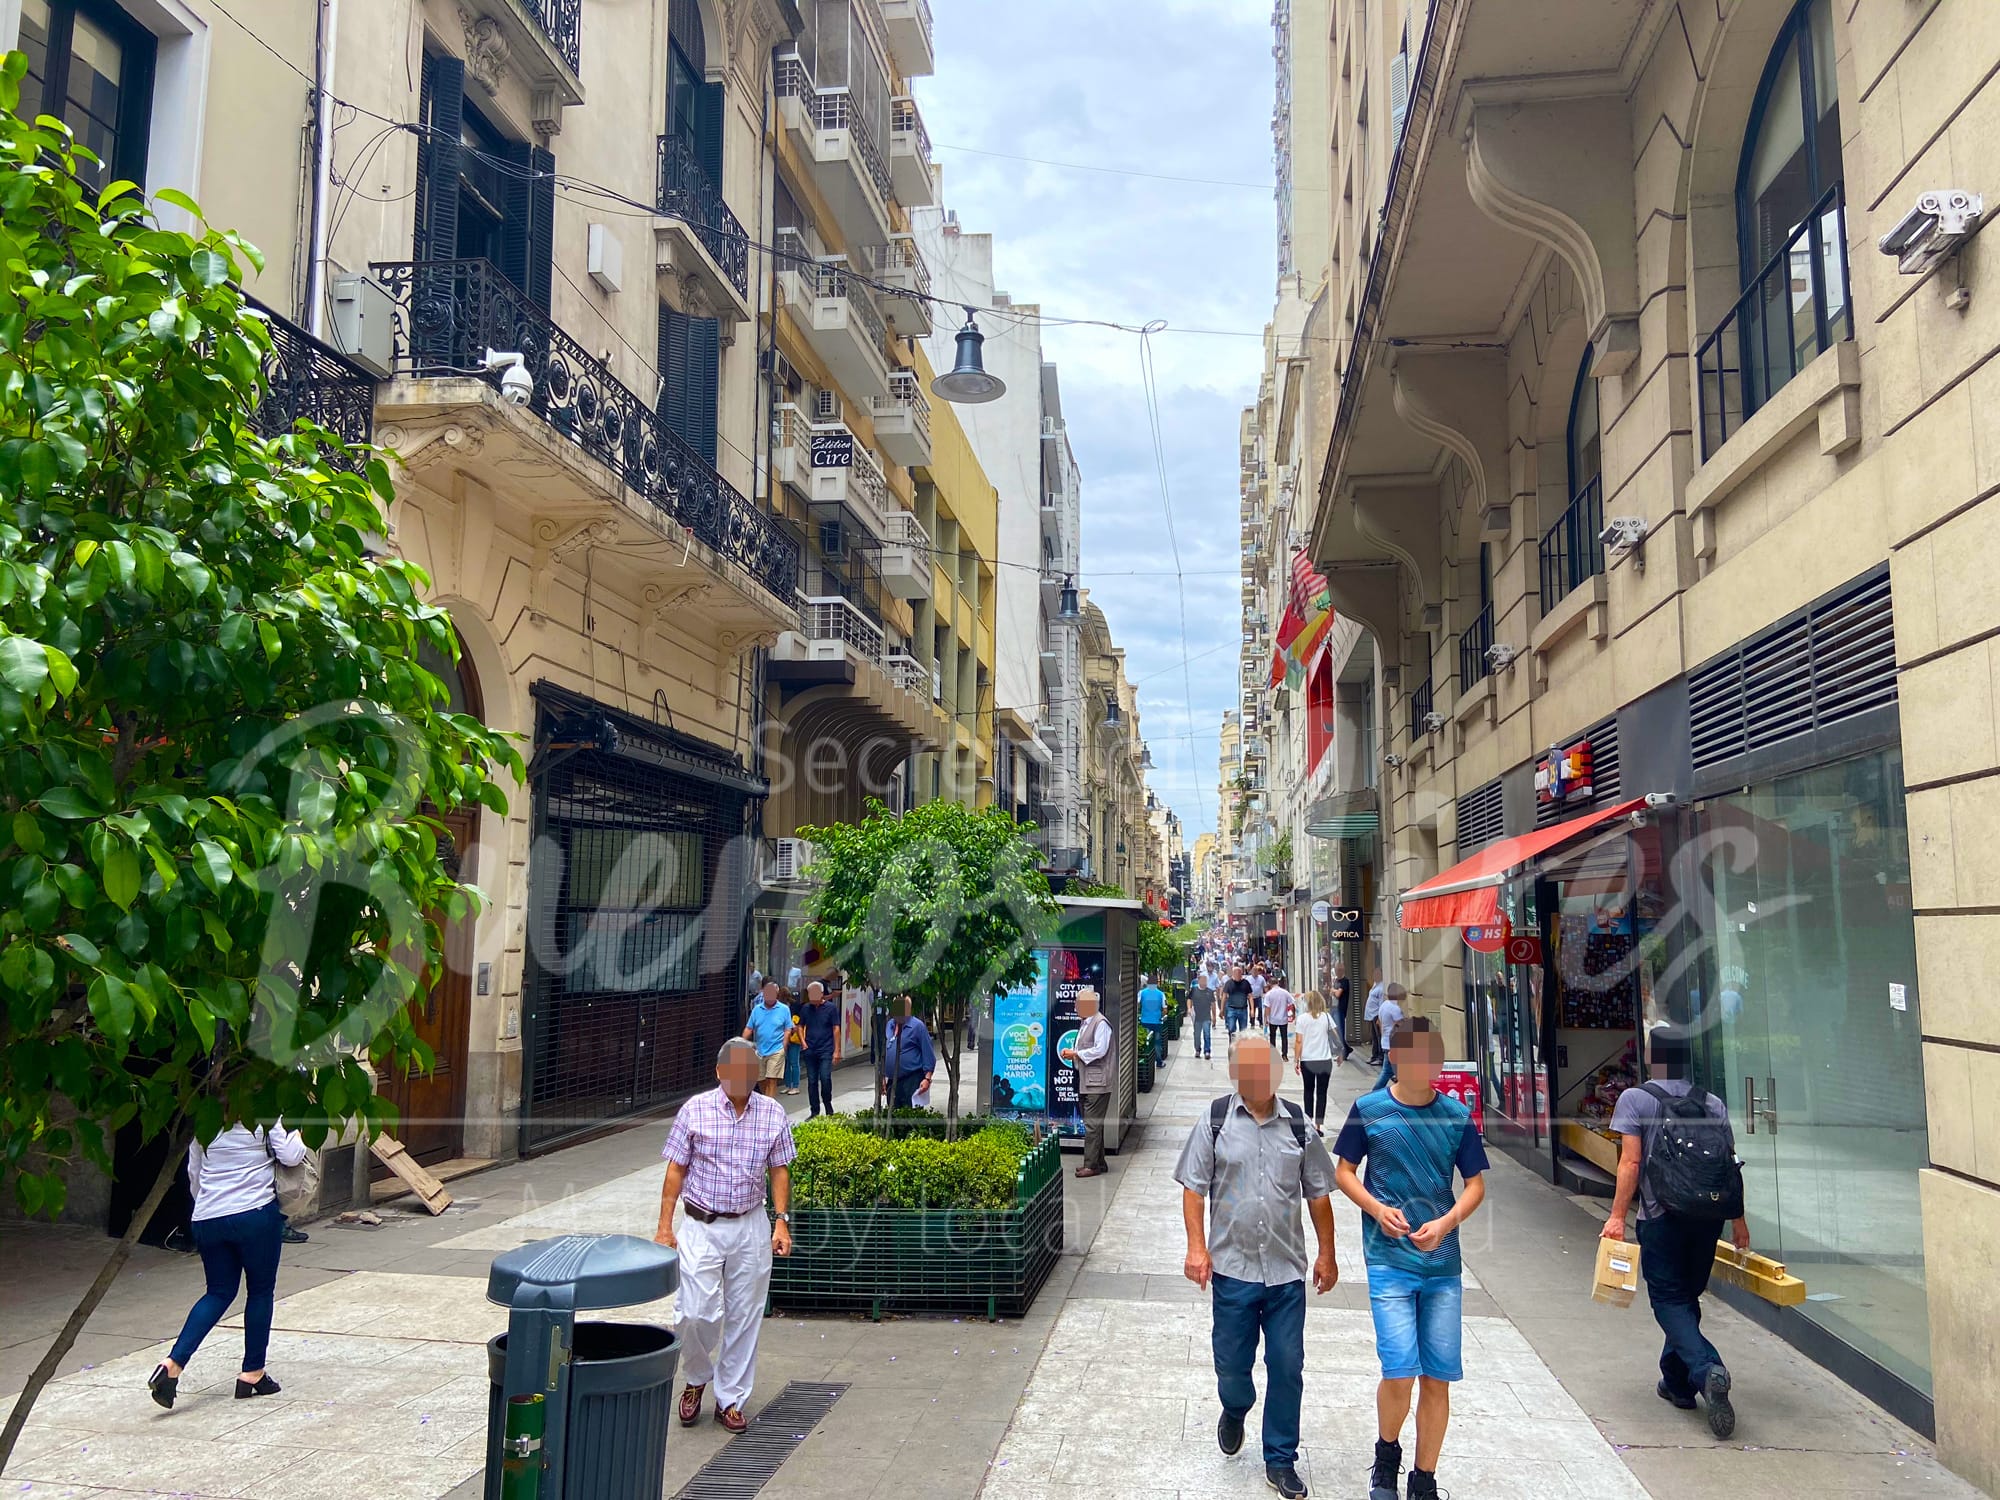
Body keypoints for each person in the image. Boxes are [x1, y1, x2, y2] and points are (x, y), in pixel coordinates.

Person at [1177, 1033, 1338, 1500]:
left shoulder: (1297, 1124)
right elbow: (1193, 1187)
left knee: (1287, 1365)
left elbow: (1319, 1194)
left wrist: (1327, 1254)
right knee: (1232, 1366)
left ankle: (1281, 1459)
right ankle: (1235, 1406)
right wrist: (1196, 1247)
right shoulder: (1215, 1120)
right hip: (1232, 1268)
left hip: (1286, 1272)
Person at [1334, 1018, 1489, 1500]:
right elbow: (1344, 1172)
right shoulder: (1369, 1109)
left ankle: (1425, 1479)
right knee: (1398, 1369)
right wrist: (1377, 1209)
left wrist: (1446, 1223)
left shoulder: (1455, 1117)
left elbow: (1476, 1185)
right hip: (1388, 1259)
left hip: (1442, 1266)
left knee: (1437, 1377)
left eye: (1432, 1057)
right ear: (1397, 1058)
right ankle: (1387, 1457)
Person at [1602, 1030, 1750, 1439]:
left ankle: (1707, 1370)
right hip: (1709, 1216)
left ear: (1652, 1057)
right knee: (1686, 1299)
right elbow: (1729, 1166)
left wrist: (1616, 1217)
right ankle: (1678, 1383)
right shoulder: (1712, 1102)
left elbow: (1630, 1164)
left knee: (1668, 1300)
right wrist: (1738, 1221)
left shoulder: (1635, 1098)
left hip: (1661, 1215)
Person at [657, 1039, 795, 1432]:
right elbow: (675, 1171)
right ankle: (697, 1376)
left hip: (750, 1223)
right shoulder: (694, 1110)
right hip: (701, 1224)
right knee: (694, 1312)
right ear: (720, 1073)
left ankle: (730, 1398)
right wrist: (665, 1226)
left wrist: (780, 1220)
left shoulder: (772, 1113)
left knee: (745, 1313)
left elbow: (780, 1168)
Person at [149, 1123, 308, 1409]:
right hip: (255, 1213)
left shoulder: (203, 1117)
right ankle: (252, 1373)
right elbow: (291, 1155)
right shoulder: (265, 1109)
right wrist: (296, 1131)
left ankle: (172, 1363)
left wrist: (210, 1204)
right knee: (260, 1292)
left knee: (218, 1292)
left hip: (208, 1216)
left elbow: (194, 1173)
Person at [1065, 988, 1116, 1177]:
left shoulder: (1101, 1023)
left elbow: (1100, 1050)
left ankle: (1091, 1165)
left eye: (1078, 1003)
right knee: (1093, 1123)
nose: (1075, 1007)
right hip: (1085, 1080)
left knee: (1092, 1124)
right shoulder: (1085, 1023)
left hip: (1097, 1082)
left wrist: (1076, 1054)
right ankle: (1099, 1162)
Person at [880, 998, 936, 1110]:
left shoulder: (917, 1026)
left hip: (911, 1078)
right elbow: (885, 1051)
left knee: (910, 1115)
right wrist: (882, 1075)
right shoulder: (890, 1024)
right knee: (893, 1113)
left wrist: (927, 1078)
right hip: (892, 1080)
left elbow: (928, 1053)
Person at [1292, 991, 1337, 1131]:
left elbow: (1299, 1041)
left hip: (1308, 1060)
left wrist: (1296, 1060)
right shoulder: (1327, 1017)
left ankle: (1308, 1121)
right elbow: (1335, 1035)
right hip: (1324, 1059)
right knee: (1322, 1092)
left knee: (1308, 1091)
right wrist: (1340, 1052)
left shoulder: (1302, 1019)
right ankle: (1319, 1125)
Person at [743, 979, 794, 1098]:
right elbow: (749, 1028)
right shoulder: (757, 1009)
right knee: (760, 1080)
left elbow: (788, 1029)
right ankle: (767, 1100)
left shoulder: (784, 1009)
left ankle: (768, 1107)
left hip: (777, 1049)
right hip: (760, 1050)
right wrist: (740, 1042)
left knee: (772, 1079)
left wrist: (784, 1044)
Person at [799, 979, 841, 1118]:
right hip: (810, 1049)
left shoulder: (830, 1008)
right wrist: (803, 1042)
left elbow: (836, 1028)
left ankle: (828, 1106)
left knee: (825, 1077)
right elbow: (800, 1026)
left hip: (826, 1049)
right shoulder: (806, 1008)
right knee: (811, 1081)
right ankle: (814, 1111)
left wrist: (837, 1050)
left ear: (822, 994)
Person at [1374, 983, 1407, 1070]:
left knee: (1389, 1071)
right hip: (1393, 1043)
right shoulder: (1394, 1008)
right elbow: (1401, 1024)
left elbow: (1378, 1022)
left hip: (1385, 1041)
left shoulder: (1384, 1005)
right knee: (1388, 1071)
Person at [1139, 973, 1167, 1068]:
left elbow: (1137, 1004)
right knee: (1157, 1042)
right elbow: (1165, 1009)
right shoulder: (1161, 994)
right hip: (1156, 1022)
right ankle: (1159, 1062)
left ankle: (1146, 1063)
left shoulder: (1142, 993)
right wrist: (1160, 1016)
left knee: (1146, 1042)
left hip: (1144, 1021)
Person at [1263, 975, 1295, 1056]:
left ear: (1270, 984)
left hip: (1273, 1019)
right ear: (1278, 983)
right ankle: (1284, 1054)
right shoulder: (1285, 992)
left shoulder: (1268, 994)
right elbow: (1292, 1003)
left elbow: (1267, 1007)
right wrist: (1293, 1014)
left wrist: (1266, 1018)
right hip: (1283, 1019)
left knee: (1272, 1036)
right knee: (1284, 1037)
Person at [1220, 964, 1254, 1038]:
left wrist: (1252, 1009)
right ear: (1233, 974)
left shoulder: (1246, 983)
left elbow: (1250, 996)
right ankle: (1232, 1044)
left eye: (1239, 973)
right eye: (1236, 973)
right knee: (1231, 1029)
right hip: (1232, 1009)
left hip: (1243, 1009)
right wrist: (1222, 1009)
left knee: (1243, 1030)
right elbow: (1224, 996)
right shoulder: (1228, 983)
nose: (1238, 975)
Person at [1189, 967, 1216, 1060]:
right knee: (1196, 1035)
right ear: (1199, 981)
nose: (1204, 982)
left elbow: (1213, 1004)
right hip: (1197, 1017)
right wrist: (1189, 1008)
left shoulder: (1209, 991)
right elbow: (1189, 999)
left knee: (1207, 1034)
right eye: (1203, 980)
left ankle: (1207, 1051)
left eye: (1206, 980)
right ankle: (1197, 1049)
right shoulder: (1194, 990)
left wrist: (1214, 1016)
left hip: (1206, 1017)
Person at [1330, 962, 1353, 1064]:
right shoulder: (1336, 980)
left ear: (1341, 970)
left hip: (1340, 1009)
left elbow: (1338, 994)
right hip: (1334, 1008)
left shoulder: (1345, 981)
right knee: (1334, 1031)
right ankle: (1346, 1048)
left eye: (1337, 970)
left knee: (1340, 1031)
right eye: (1335, 970)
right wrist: (1334, 991)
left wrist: (1333, 991)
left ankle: (1344, 1052)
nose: (1336, 972)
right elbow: (1333, 992)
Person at [1364, 969, 1389, 1064]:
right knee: (1374, 1036)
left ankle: (1380, 1057)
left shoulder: (1382, 987)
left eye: (1377, 974)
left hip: (1376, 1015)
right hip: (1371, 1015)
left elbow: (1381, 1003)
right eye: (1374, 974)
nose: (1375, 976)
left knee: (1379, 1036)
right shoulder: (1375, 985)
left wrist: (1379, 1017)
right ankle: (1374, 1055)